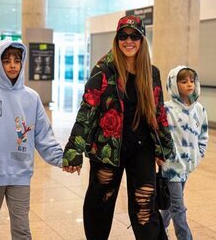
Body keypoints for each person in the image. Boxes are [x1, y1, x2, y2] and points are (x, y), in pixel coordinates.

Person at [62, 15, 174, 240]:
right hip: (107, 149)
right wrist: (73, 151)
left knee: (145, 207)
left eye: (134, 36)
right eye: (123, 36)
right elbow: (87, 111)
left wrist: (164, 147)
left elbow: (159, 113)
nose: (128, 41)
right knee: (99, 203)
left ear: (142, 40)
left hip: (142, 149)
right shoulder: (103, 70)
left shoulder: (151, 73)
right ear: (117, 39)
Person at [0, 39, 63, 239]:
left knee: (22, 228)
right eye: (6, 60)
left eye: (17, 60)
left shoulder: (32, 97)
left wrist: (64, 159)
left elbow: (44, 136)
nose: (12, 65)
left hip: (21, 173)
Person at [160, 66, 209, 240]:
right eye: (183, 81)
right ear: (174, 84)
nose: (189, 84)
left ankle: (161, 228)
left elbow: (203, 134)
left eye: (192, 80)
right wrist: (163, 157)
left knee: (170, 204)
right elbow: (159, 134)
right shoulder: (166, 109)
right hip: (171, 168)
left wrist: (199, 153)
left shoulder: (199, 110)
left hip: (187, 167)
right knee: (178, 208)